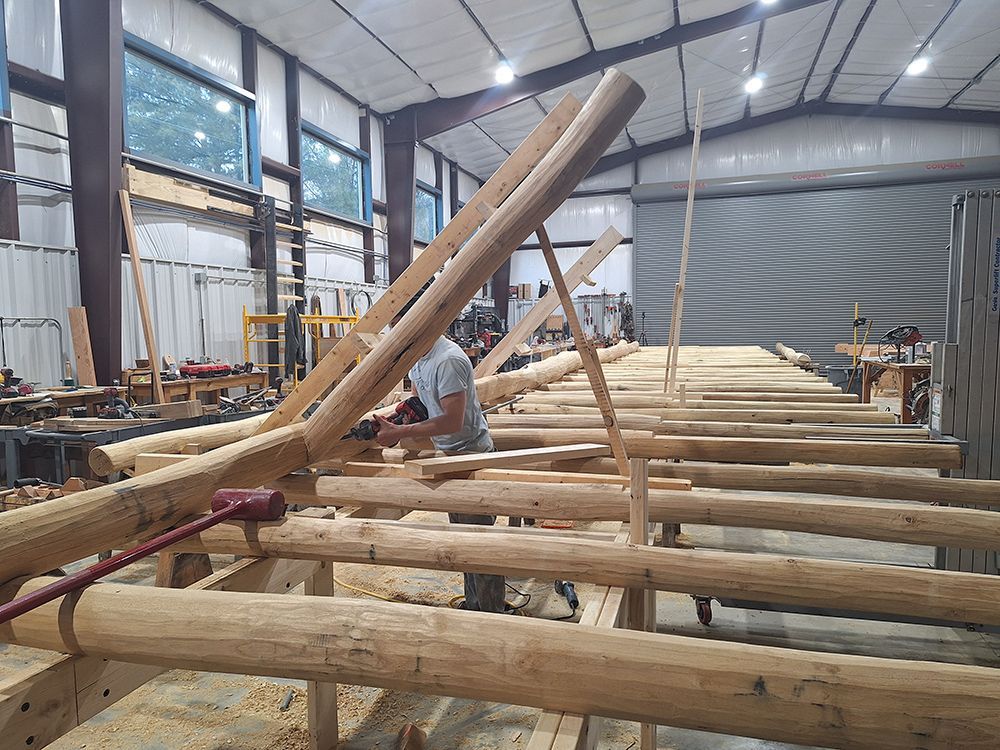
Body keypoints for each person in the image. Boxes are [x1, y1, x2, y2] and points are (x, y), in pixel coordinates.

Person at [373, 292, 505, 613]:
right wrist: (399, 419)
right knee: (461, 540)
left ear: (421, 324)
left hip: (471, 456)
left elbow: (451, 420)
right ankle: (473, 607)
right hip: (447, 456)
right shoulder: (419, 358)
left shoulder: (448, 360)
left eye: (402, 327)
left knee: (479, 546)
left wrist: (400, 433)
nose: (398, 335)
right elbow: (419, 402)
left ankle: (490, 617)